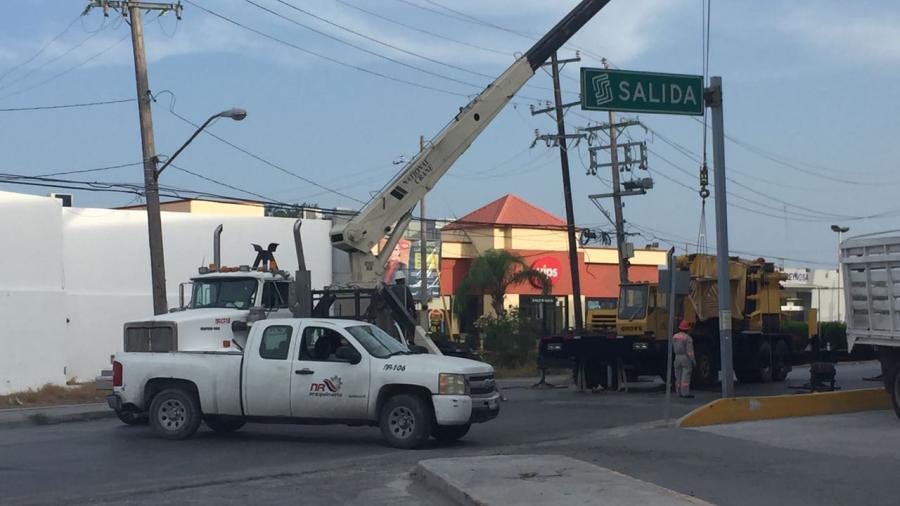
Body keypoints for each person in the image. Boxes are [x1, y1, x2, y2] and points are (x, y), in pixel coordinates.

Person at [673, 320, 696, 398]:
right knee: (685, 376)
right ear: (687, 329)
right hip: (685, 358)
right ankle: (685, 393)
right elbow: (690, 352)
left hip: (677, 357)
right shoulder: (687, 338)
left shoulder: (675, 336)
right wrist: (693, 361)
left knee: (677, 376)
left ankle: (678, 392)